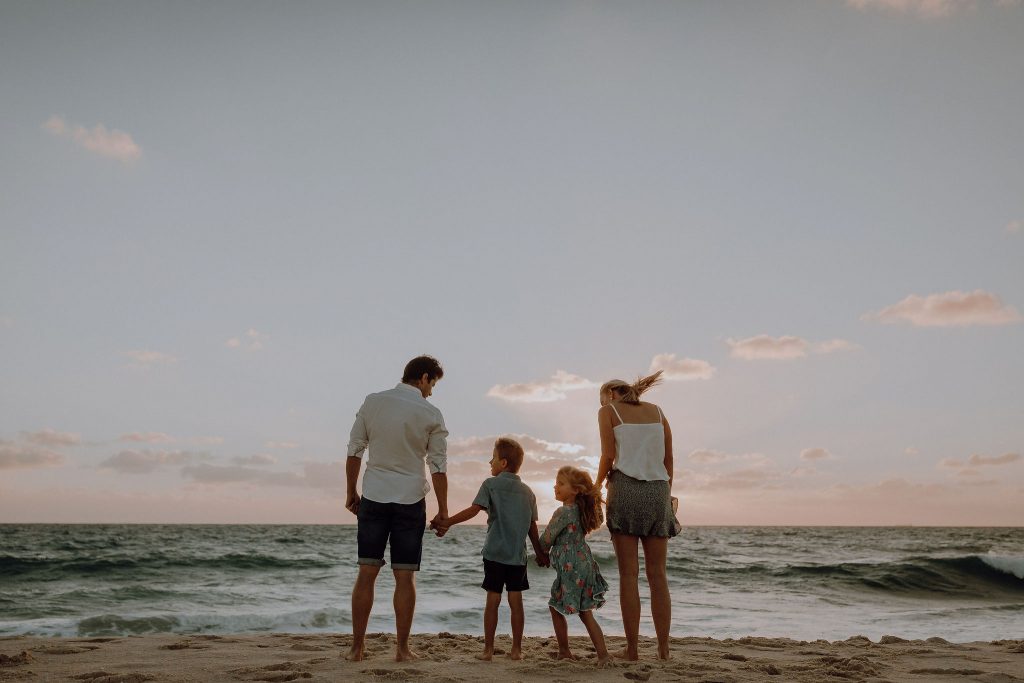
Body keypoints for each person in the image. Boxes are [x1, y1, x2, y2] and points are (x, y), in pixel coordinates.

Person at [344, 354, 449, 662]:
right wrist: (442, 510)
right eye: (433, 384)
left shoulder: (373, 402)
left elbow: (354, 451)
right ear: (425, 377)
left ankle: (357, 648)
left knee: (367, 572)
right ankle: (402, 650)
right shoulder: (431, 413)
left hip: (374, 495)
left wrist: (351, 492)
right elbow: (438, 467)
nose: (432, 392)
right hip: (410, 500)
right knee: (405, 577)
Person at [434, 437, 549, 661]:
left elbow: (474, 510)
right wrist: (540, 553)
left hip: (495, 553)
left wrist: (447, 522)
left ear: (503, 463)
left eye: (493, 458)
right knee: (516, 603)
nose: (490, 462)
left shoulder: (490, 484)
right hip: (517, 556)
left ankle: (487, 651)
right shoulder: (529, 493)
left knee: (492, 601)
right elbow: (532, 528)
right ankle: (517, 650)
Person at [593, 370, 679, 661]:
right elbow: (668, 460)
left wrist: (594, 489)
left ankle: (632, 650)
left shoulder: (608, 411)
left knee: (629, 575)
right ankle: (663, 649)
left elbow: (607, 456)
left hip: (626, 489)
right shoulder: (657, 411)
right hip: (658, 490)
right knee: (658, 575)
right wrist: (664, 493)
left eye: (602, 397)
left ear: (611, 394)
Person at [540, 465, 611, 666]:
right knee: (585, 612)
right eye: (556, 483)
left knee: (555, 607)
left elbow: (547, 539)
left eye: (561, 484)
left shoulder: (563, 511)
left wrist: (541, 551)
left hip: (572, 567)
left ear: (576, 489)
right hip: (585, 562)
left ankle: (564, 651)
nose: (555, 487)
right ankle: (603, 654)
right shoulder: (581, 510)